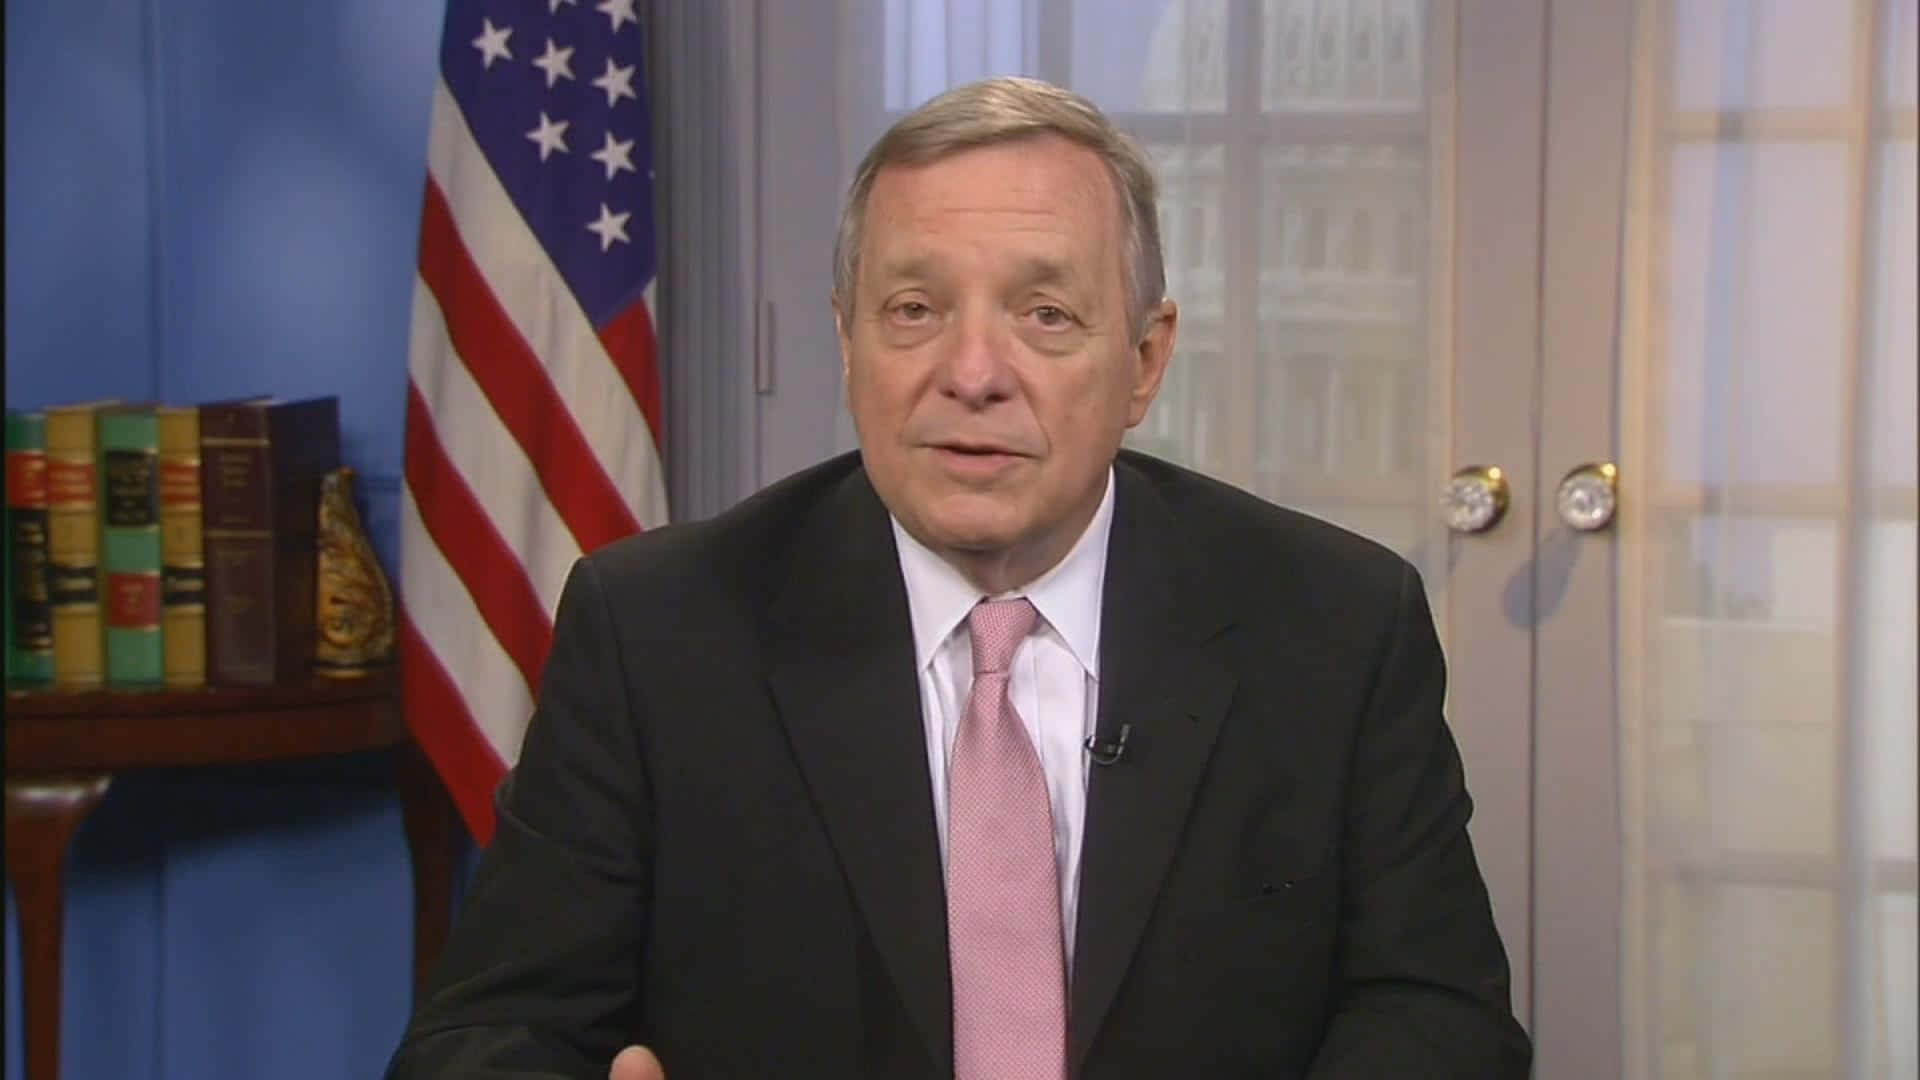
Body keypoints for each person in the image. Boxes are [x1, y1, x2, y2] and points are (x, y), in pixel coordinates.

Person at [386, 75, 1531, 1079]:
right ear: (847, 343)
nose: (971, 373)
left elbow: (1438, 1014)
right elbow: (485, 1037)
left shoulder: (1332, 625)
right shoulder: (658, 631)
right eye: (914, 310)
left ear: (1145, 359)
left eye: (1045, 315)